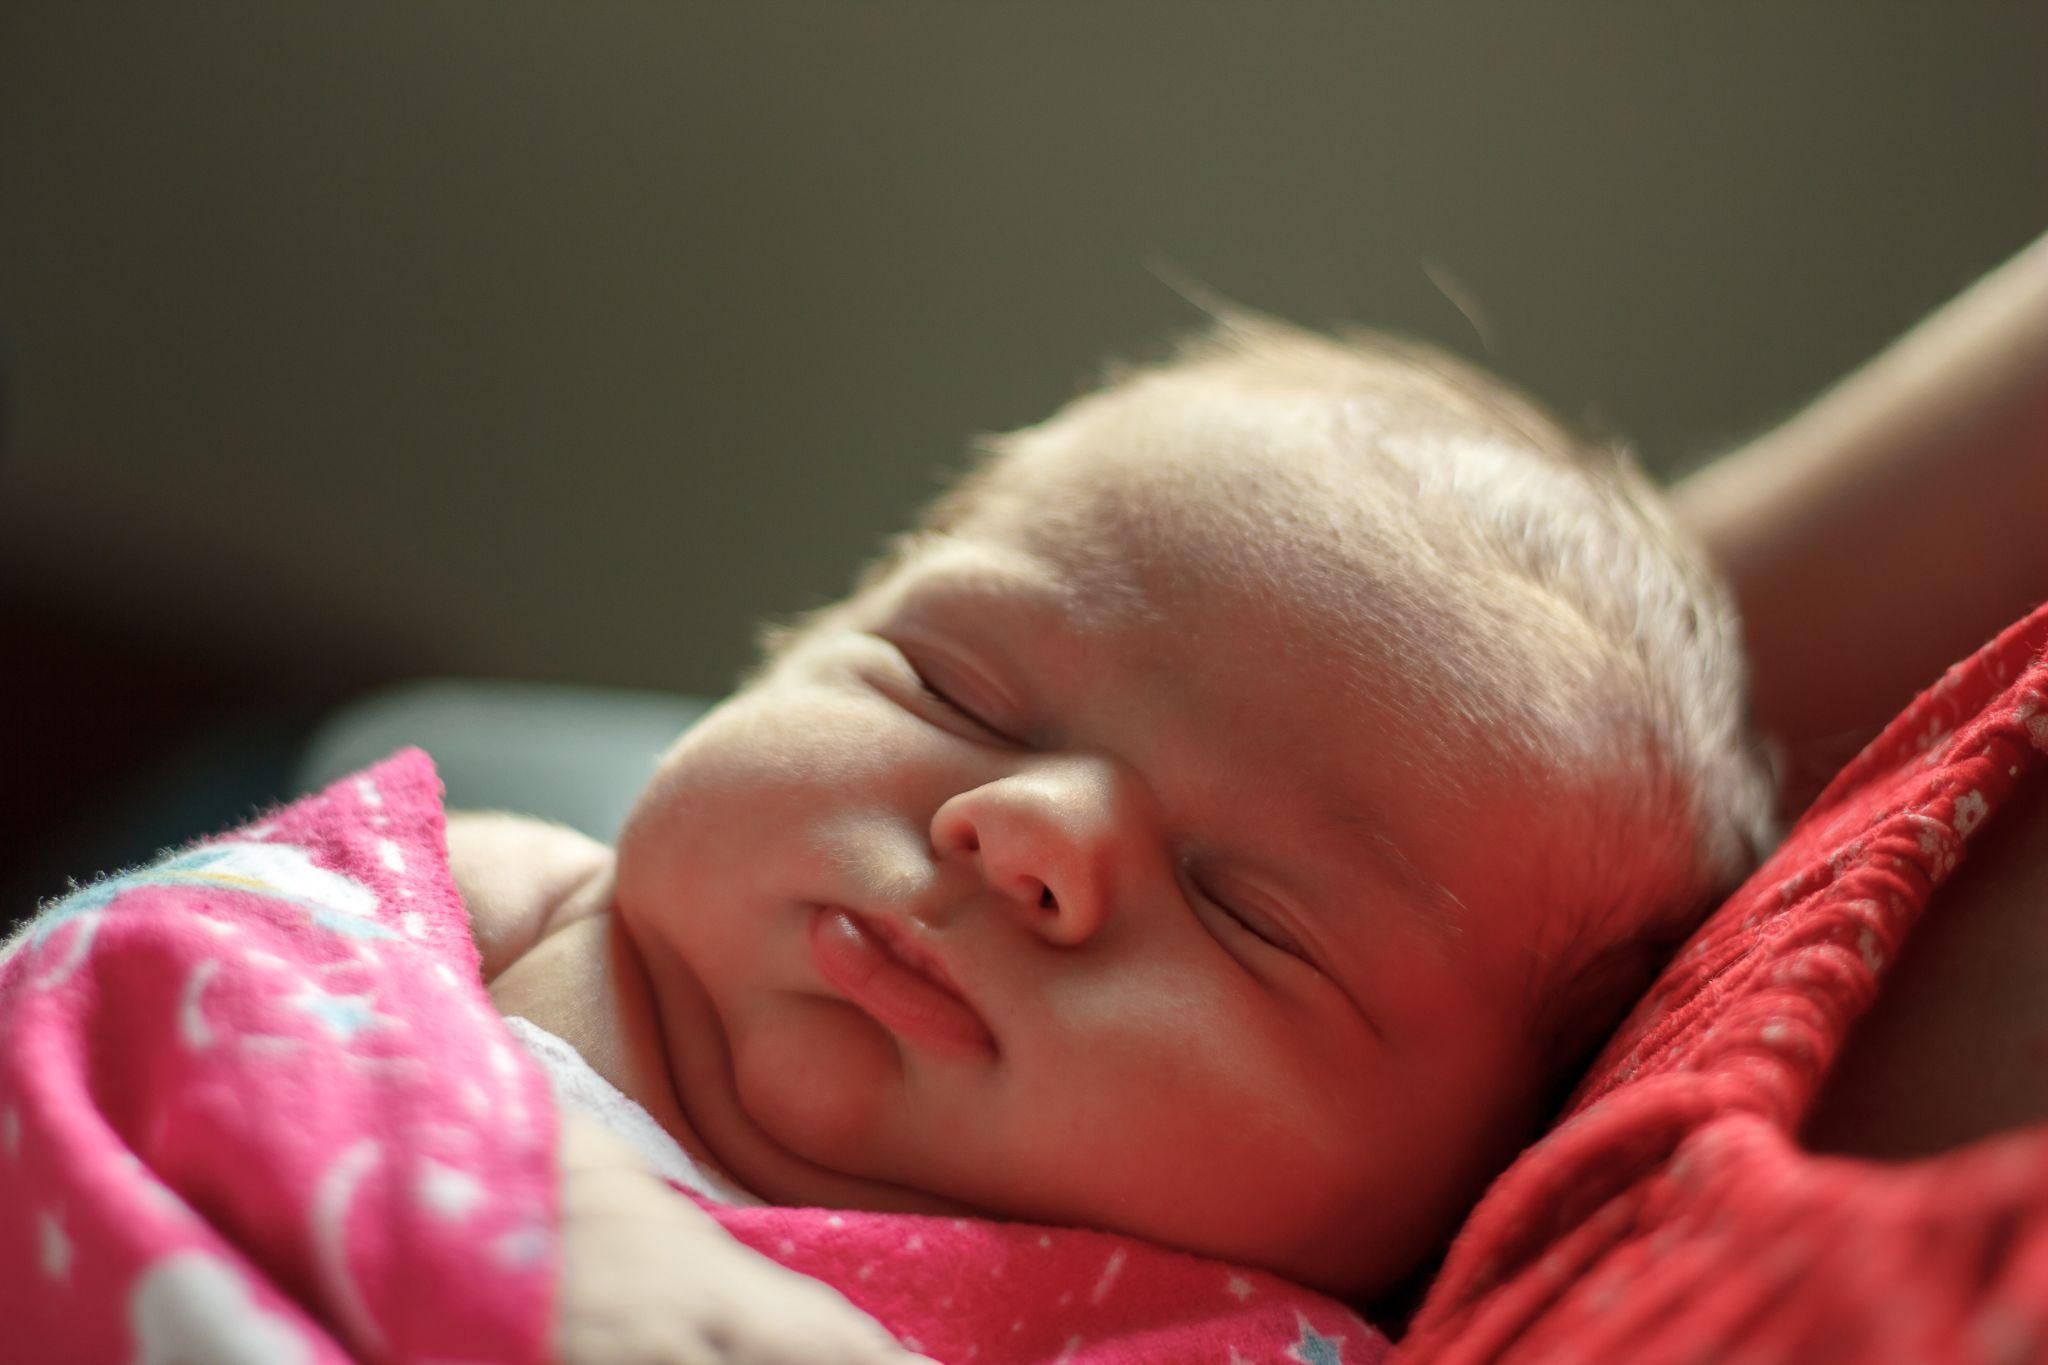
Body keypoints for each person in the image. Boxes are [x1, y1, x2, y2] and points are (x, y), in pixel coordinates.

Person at [459, 310, 1776, 1360]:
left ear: (1456, 1198)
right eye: (950, 687)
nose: (1029, 828)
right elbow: (248, 966)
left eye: (1246, 911)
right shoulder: (479, 910)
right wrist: (569, 1206)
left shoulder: (1227, 1344)